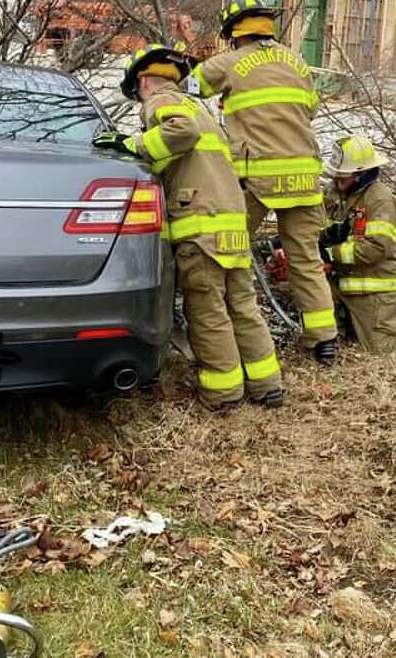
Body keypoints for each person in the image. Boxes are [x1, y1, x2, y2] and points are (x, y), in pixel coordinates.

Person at [93, 42, 284, 410]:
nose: (139, 100)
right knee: (243, 306)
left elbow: (181, 134)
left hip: (201, 228)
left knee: (208, 309)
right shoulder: (202, 108)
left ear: (144, 81)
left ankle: (223, 393)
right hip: (231, 225)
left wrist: (132, 144)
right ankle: (267, 385)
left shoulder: (162, 101)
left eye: (137, 91)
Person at [191, 0, 338, 365]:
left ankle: (226, 336)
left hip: (257, 178)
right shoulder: (299, 64)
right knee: (305, 257)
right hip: (305, 176)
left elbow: (186, 90)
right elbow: (309, 110)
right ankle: (323, 339)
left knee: (229, 253)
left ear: (233, 33)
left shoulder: (230, 63)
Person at [321, 135, 396, 354]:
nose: (336, 179)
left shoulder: (380, 200)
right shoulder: (334, 193)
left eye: (342, 175)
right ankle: (346, 322)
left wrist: (329, 253)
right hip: (338, 279)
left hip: (370, 285)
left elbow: (375, 249)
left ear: (361, 173)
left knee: (381, 348)